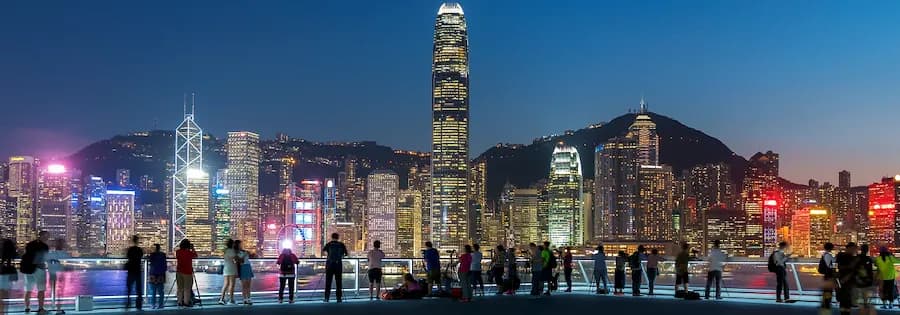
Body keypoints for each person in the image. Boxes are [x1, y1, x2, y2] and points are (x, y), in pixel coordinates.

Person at [22, 231, 50, 313]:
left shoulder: (30, 244)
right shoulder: (44, 246)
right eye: (46, 236)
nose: (47, 238)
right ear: (41, 236)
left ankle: (27, 307)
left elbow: (26, 255)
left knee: (28, 289)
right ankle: (40, 308)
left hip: (28, 269)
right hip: (39, 269)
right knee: (41, 290)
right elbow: (44, 258)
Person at [322, 233, 348, 303]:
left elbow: (323, 251)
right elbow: (346, 254)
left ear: (332, 237)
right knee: (338, 282)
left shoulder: (329, 244)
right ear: (338, 237)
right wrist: (341, 256)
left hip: (329, 265)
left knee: (328, 282)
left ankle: (326, 298)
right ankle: (339, 298)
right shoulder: (341, 244)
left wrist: (329, 255)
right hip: (338, 265)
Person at [46, 239, 69, 314]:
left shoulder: (51, 253)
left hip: (52, 273)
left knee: (52, 291)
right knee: (60, 291)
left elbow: (47, 261)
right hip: (60, 274)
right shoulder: (65, 254)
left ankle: (52, 307)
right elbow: (68, 263)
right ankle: (58, 308)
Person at [836, 242, 859, 315]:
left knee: (845, 301)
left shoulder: (841, 256)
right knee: (845, 300)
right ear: (850, 248)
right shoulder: (849, 257)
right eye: (854, 249)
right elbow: (843, 267)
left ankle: (844, 312)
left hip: (844, 281)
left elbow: (839, 267)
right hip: (846, 282)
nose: (855, 250)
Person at [175, 239, 197, 308]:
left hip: (179, 272)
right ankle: (186, 303)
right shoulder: (189, 253)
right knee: (187, 288)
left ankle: (179, 302)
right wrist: (192, 248)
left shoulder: (178, 252)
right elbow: (195, 255)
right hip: (187, 272)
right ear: (188, 245)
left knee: (180, 288)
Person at [125, 235, 144, 310]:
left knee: (129, 288)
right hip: (137, 270)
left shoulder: (130, 250)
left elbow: (128, 257)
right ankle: (139, 304)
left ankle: (128, 303)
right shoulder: (139, 250)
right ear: (137, 241)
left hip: (131, 270)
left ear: (132, 241)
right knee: (138, 289)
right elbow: (141, 257)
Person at [147, 244, 167, 309]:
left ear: (154, 249)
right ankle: (161, 304)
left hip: (153, 274)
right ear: (159, 248)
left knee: (153, 291)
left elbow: (150, 261)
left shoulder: (152, 255)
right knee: (161, 291)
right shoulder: (163, 254)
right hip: (161, 274)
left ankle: (153, 305)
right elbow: (165, 264)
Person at [218, 239, 237, 305]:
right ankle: (231, 300)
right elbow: (236, 258)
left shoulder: (225, 251)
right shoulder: (231, 251)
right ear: (232, 244)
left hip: (226, 268)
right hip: (231, 267)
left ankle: (221, 299)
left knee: (225, 284)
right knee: (232, 284)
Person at [234, 240, 254, 305]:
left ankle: (249, 299)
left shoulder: (244, 251)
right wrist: (244, 255)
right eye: (240, 244)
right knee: (244, 285)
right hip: (242, 267)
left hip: (248, 266)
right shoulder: (236, 253)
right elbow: (240, 261)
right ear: (237, 245)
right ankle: (244, 299)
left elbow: (252, 256)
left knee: (248, 284)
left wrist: (251, 253)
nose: (241, 245)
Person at [819, 242, 837, 313]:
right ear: (831, 248)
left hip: (827, 275)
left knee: (827, 289)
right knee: (828, 290)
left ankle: (826, 303)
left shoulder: (824, 254)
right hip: (829, 275)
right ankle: (827, 303)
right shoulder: (828, 255)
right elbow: (830, 264)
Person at [858, 244, 876, 312]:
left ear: (861, 250)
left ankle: (860, 304)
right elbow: (870, 270)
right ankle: (865, 304)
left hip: (859, 278)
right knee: (865, 292)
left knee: (860, 291)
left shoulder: (857, 258)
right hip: (866, 279)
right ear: (867, 250)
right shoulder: (868, 259)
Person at [0, 238, 16, 315]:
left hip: (2, 278)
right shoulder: (12, 256)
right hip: (8, 279)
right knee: (5, 298)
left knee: (1, 298)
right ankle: (4, 312)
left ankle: (2, 312)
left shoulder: (2, 255)